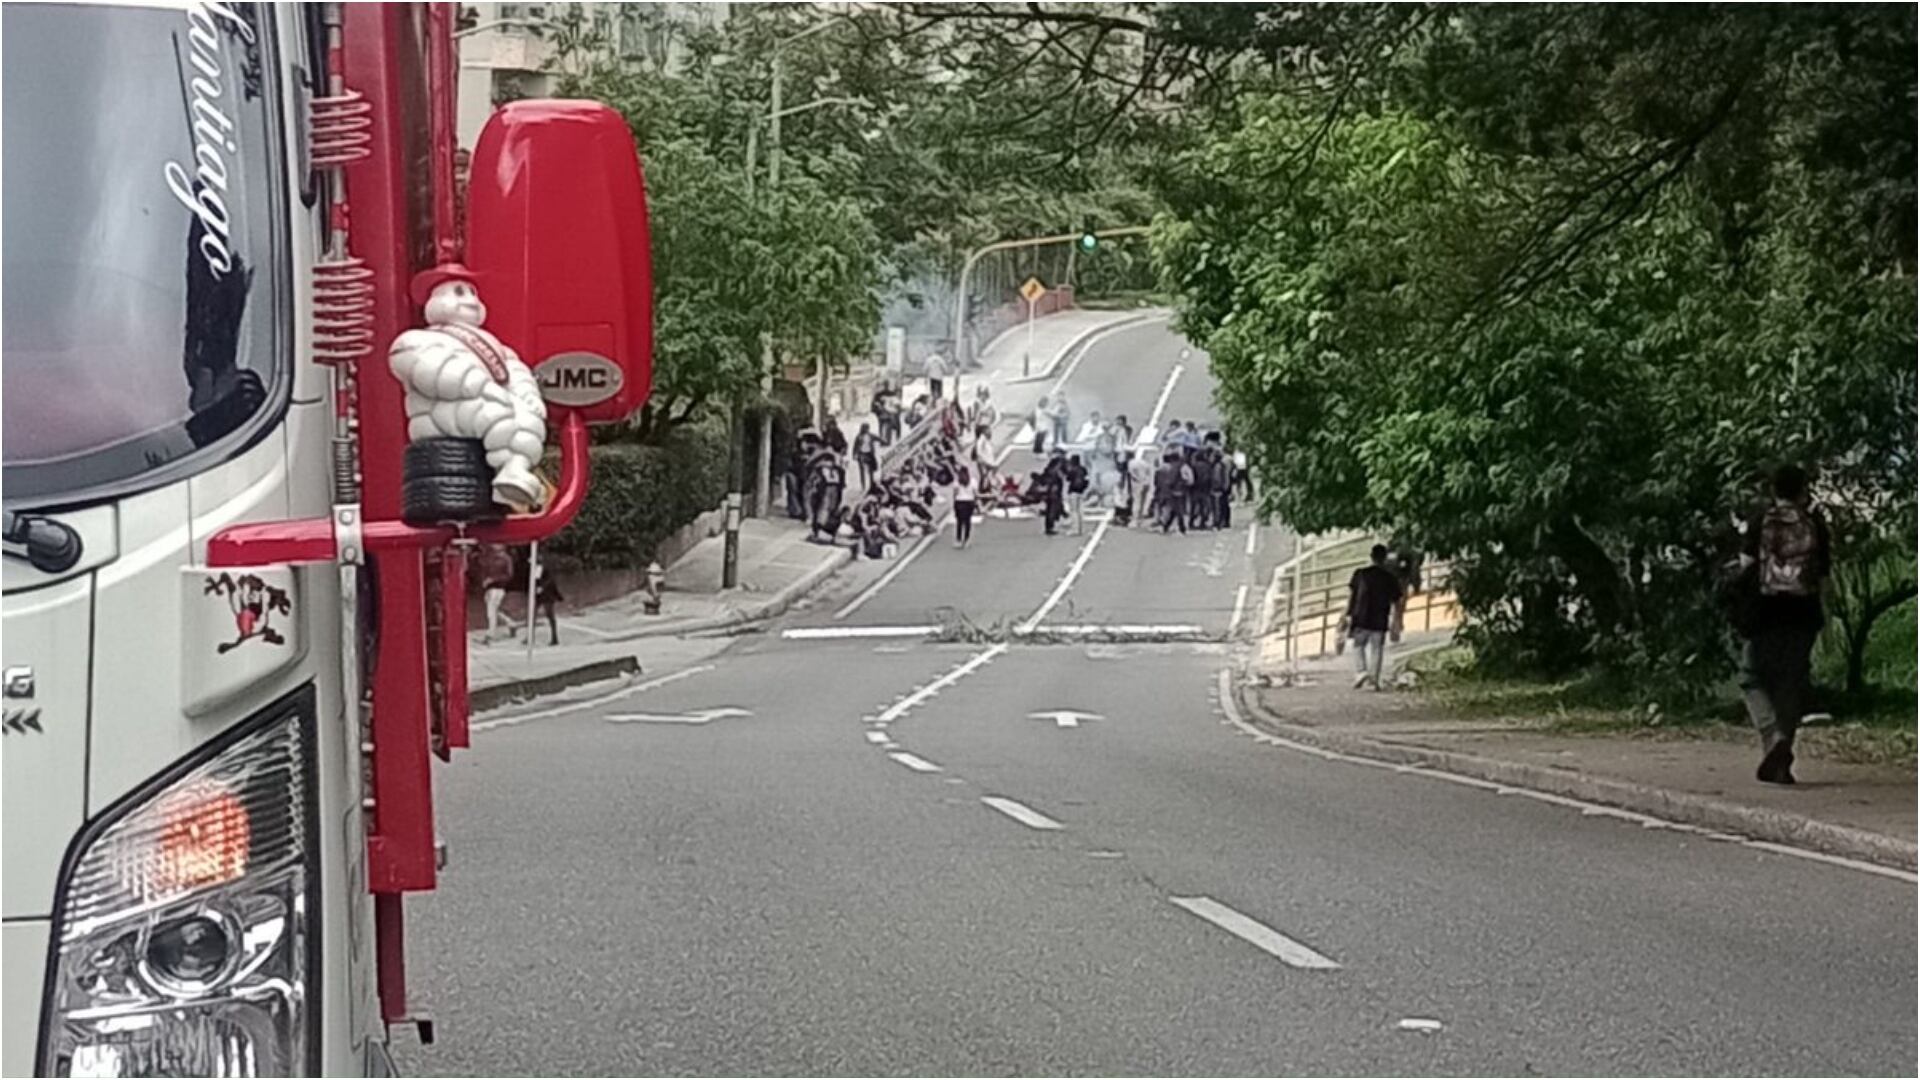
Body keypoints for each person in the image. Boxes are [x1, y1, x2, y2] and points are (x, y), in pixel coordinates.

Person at [1734, 464, 1832, 785]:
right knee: (1790, 683)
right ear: (1803, 491)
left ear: (1774, 490)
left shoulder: (1761, 520)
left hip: (1764, 612)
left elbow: (1748, 567)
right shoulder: (1815, 524)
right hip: (1802, 613)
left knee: (1751, 677)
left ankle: (1771, 735)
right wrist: (1826, 620)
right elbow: (1823, 577)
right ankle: (1782, 756)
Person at [1343, 544, 1406, 690]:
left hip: (1361, 616)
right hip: (1380, 617)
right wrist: (1397, 620)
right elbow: (1397, 601)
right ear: (1384, 558)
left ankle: (1361, 671)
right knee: (1377, 649)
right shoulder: (1390, 578)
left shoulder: (1360, 574)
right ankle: (1374, 681)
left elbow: (1351, 596)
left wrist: (1346, 615)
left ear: (1371, 557)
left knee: (1358, 646)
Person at [476, 543, 515, 643]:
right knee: (494, 610)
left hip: (498, 587)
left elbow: (509, 575)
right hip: (490, 587)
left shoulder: (506, 559)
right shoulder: (491, 558)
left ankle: (490, 635)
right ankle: (511, 623)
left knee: (491, 612)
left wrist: (492, 579)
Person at [1155, 450, 1187, 534]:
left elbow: (1172, 479)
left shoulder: (1175, 467)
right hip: (1181, 490)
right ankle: (1167, 526)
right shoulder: (1183, 466)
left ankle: (1181, 527)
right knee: (1175, 509)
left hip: (1175, 490)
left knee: (1177, 510)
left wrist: (1168, 484)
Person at [1039, 449, 1068, 536]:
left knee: (1053, 505)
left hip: (1051, 487)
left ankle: (1062, 515)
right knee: (1052, 506)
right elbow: (1064, 473)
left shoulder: (1053, 463)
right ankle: (1050, 526)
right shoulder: (1060, 463)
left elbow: (1046, 474)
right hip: (1054, 488)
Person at [951, 461, 978, 548]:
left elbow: (955, 493)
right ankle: (966, 540)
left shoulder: (957, 481)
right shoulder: (973, 481)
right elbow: (975, 493)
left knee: (959, 522)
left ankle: (958, 540)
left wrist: (954, 501)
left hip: (959, 501)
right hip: (969, 501)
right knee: (967, 521)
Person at [1128, 449, 1155, 526]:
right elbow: (1149, 475)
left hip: (1136, 484)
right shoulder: (1146, 464)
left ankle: (1135, 518)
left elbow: (1131, 473)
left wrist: (1137, 479)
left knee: (1136, 501)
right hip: (1145, 483)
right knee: (1143, 501)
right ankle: (1140, 518)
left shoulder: (1131, 463)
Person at [1065, 453, 1090, 535]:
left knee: (1073, 511)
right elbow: (1087, 480)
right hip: (1081, 491)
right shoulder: (1083, 469)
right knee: (1079, 511)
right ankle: (1080, 529)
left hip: (1073, 491)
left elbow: (1068, 479)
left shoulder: (1072, 469)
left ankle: (1075, 529)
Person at [853, 422, 879, 491]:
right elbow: (855, 446)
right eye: (866, 428)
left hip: (869, 454)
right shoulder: (859, 437)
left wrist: (885, 441)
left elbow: (878, 438)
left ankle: (871, 484)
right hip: (862, 454)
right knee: (862, 470)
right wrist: (854, 455)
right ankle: (863, 485)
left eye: (868, 428)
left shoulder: (870, 435)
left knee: (871, 470)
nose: (867, 430)